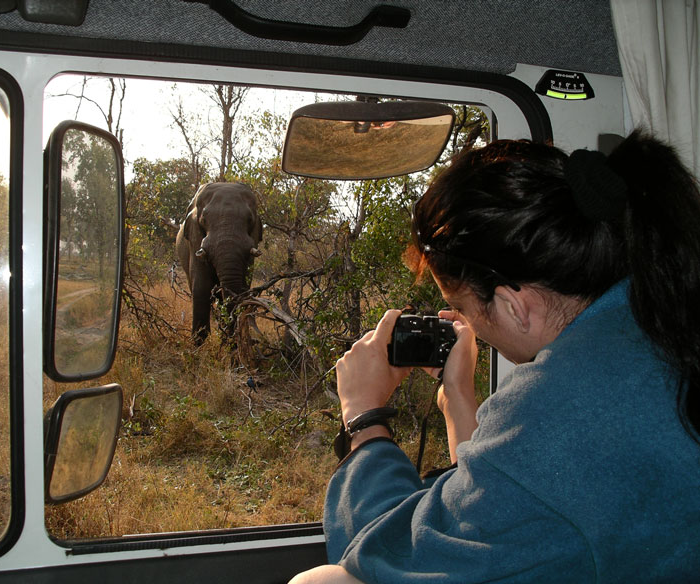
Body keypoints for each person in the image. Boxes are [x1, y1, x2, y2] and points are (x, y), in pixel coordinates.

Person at [290, 130, 700, 583]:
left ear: (512, 306)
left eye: (463, 307)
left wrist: (364, 418)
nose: (471, 325)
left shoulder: (558, 406)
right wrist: (459, 399)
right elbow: (500, 514)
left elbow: (384, 560)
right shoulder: (657, 317)